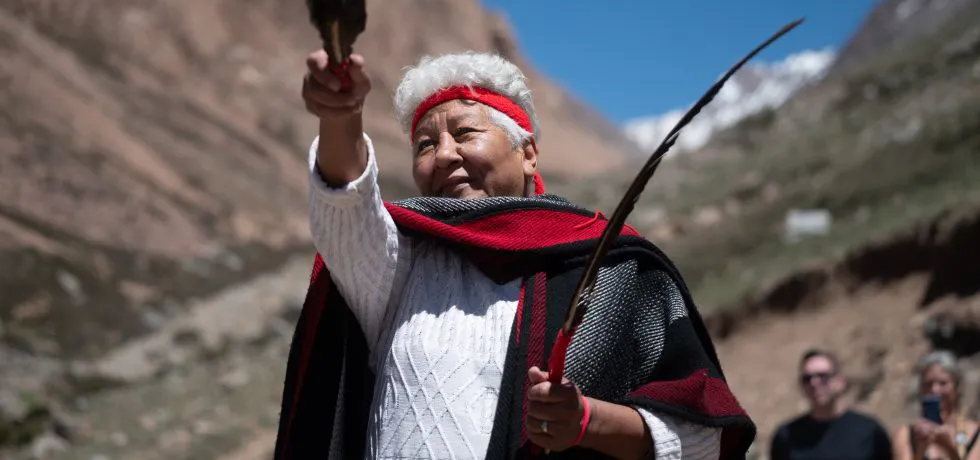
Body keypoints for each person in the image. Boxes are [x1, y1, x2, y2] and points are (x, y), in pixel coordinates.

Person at [271, 49, 757, 459]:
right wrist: (340, 116)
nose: (444, 154)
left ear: (527, 153)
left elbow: (704, 441)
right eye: (425, 145)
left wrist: (587, 421)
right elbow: (346, 205)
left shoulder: (612, 269)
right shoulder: (401, 260)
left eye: (465, 133)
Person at [770, 348, 892, 460]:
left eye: (823, 376)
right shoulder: (787, 436)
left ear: (840, 381)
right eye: (808, 379)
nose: (814, 383)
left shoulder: (869, 432)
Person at [892, 350, 980, 460]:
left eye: (943, 383)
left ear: (956, 387)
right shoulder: (906, 436)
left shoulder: (975, 434)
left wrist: (949, 448)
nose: (935, 390)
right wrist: (921, 449)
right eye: (928, 384)